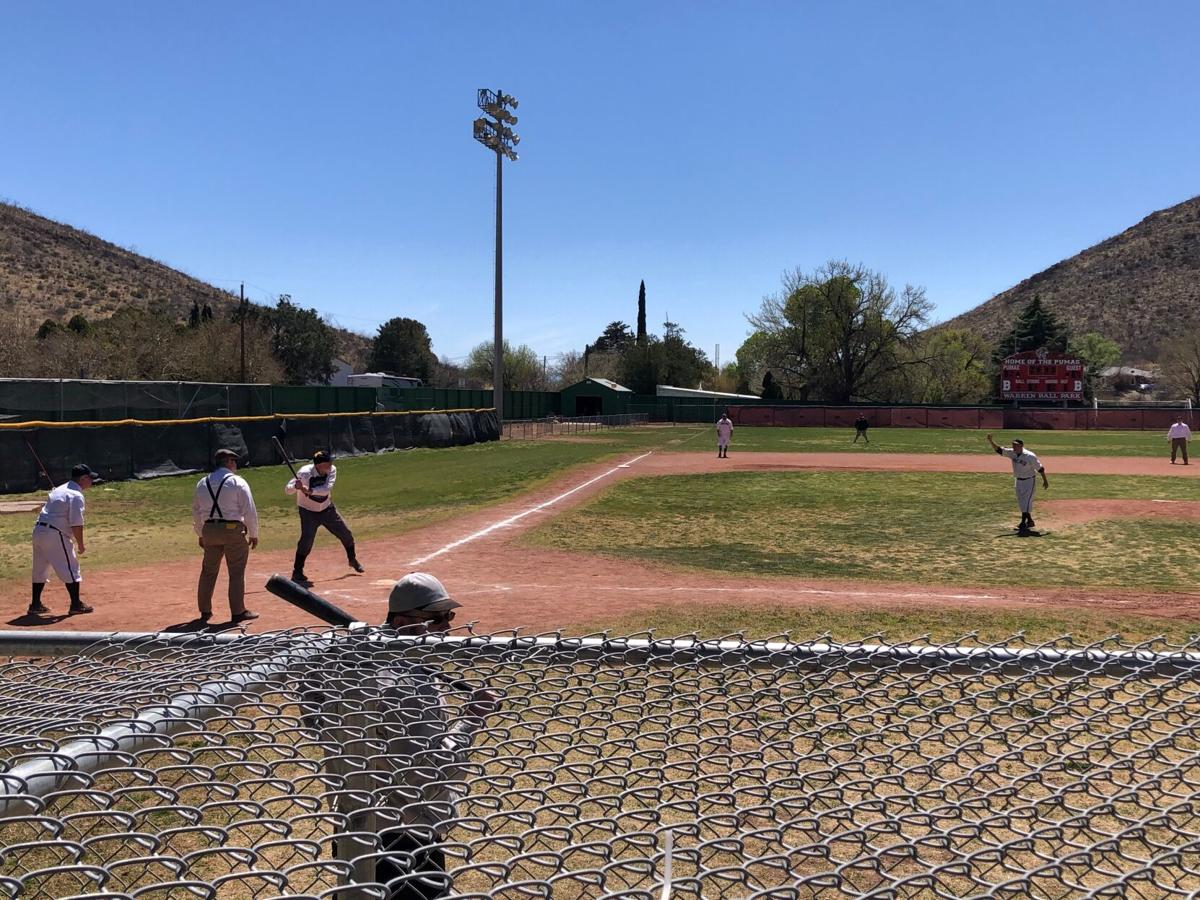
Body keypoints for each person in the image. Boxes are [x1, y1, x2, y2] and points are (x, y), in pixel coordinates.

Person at [302, 573, 498, 899]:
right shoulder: (410, 687)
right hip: (408, 838)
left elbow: (313, 714)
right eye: (437, 619)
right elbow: (429, 775)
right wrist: (471, 719)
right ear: (405, 622)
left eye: (448, 617)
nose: (447, 627)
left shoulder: (347, 663)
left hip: (354, 825)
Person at [192, 448, 260, 623]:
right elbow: (249, 510)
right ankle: (238, 611)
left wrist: (201, 534)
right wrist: (254, 533)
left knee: (208, 571)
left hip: (209, 530)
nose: (235, 464)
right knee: (236, 572)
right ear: (229, 462)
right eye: (234, 461)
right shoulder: (238, 482)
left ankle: (204, 610)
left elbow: (197, 512)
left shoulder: (202, 483)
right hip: (232, 530)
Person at [286, 449, 363, 587]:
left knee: (346, 533)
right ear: (319, 464)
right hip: (308, 512)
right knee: (306, 541)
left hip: (327, 509)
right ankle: (297, 571)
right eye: (328, 461)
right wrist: (296, 487)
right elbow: (287, 490)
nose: (331, 463)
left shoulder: (332, 470)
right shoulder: (304, 473)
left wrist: (309, 490)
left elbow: (327, 489)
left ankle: (352, 559)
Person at [28, 463, 96, 616]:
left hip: (38, 531)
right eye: (90, 479)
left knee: (40, 568)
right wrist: (81, 544)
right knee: (71, 567)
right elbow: (76, 523)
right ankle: (76, 604)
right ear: (83, 478)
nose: (92, 482)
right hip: (55, 534)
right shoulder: (76, 495)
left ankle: (35, 604)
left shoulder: (59, 489)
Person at [987, 434, 1049, 534]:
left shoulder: (1030, 456)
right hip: (1018, 480)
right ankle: (1030, 521)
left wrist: (1045, 481)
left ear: (1021, 446)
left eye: (1015, 445)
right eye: (1013, 445)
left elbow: (1040, 469)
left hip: (1029, 481)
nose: (1013, 447)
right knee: (1021, 502)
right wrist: (990, 441)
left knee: (1026, 502)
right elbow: (999, 450)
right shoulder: (1012, 453)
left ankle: (1023, 523)